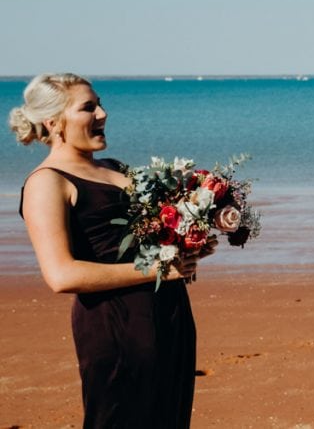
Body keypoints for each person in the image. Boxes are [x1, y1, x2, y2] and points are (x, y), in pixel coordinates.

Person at [9, 73, 210, 428]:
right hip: (116, 326)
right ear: (54, 122)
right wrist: (160, 269)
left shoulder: (116, 168)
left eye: (100, 104)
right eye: (88, 107)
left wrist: (190, 244)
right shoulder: (47, 182)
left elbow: (153, 240)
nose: (102, 114)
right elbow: (61, 275)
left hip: (169, 315)